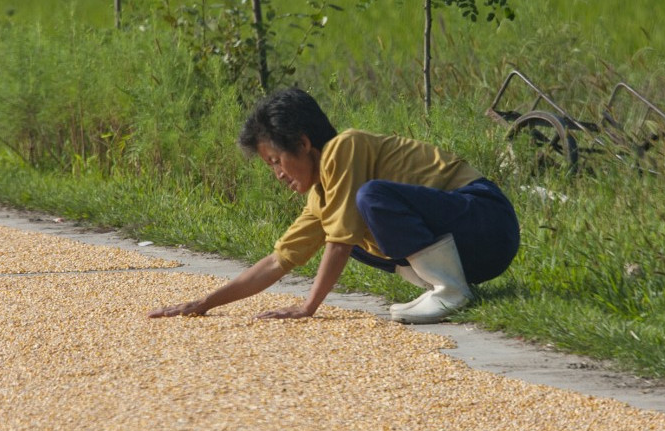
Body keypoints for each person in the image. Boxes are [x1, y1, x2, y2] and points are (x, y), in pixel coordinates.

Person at [148, 87, 519, 324]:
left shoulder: (346, 146)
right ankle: (444, 287)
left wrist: (307, 307)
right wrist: (205, 303)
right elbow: (278, 261)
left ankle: (451, 291)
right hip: (468, 246)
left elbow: (339, 244)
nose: (276, 173)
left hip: (487, 221)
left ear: (303, 142)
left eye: (276, 160)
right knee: (344, 220)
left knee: (367, 201)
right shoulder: (321, 195)